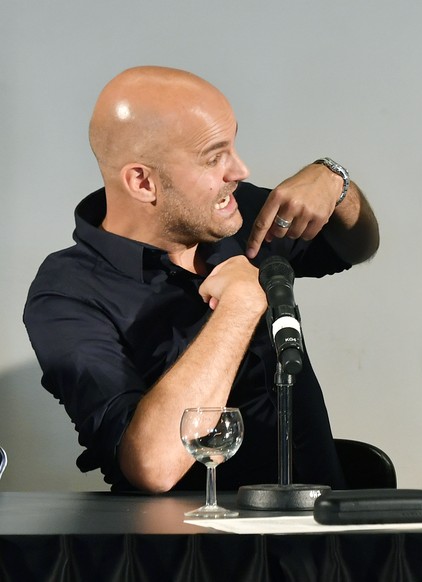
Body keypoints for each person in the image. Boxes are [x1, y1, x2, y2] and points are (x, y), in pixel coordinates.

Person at [23, 66, 379, 493]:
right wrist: (240, 307)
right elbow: (151, 466)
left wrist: (334, 182)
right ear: (142, 181)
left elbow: (357, 245)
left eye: (233, 146)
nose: (240, 170)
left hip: (319, 537)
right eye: (214, 157)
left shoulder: (235, 211)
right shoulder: (66, 295)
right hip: (192, 553)